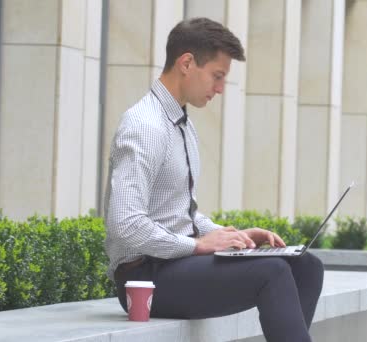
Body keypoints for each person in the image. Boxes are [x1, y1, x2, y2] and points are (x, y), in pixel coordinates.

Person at [104, 17, 324, 342]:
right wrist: (197, 246)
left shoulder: (181, 125)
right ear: (187, 63)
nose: (220, 88)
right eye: (217, 76)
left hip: (176, 266)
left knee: (305, 265)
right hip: (145, 279)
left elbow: (180, 212)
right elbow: (125, 223)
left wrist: (226, 235)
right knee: (272, 271)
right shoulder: (144, 126)